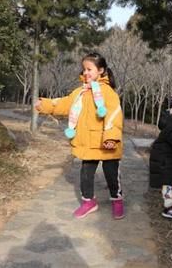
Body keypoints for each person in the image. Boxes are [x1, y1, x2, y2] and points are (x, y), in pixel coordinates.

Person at [35, 52, 124, 220]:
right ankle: (89, 202)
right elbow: (63, 104)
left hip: (107, 143)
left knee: (112, 174)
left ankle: (117, 200)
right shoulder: (80, 92)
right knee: (85, 174)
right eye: (84, 70)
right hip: (88, 143)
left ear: (101, 70)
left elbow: (114, 114)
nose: (86, 73)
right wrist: (44, 104)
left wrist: (111, 138)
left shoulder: (108, 92)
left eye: (89, 69)